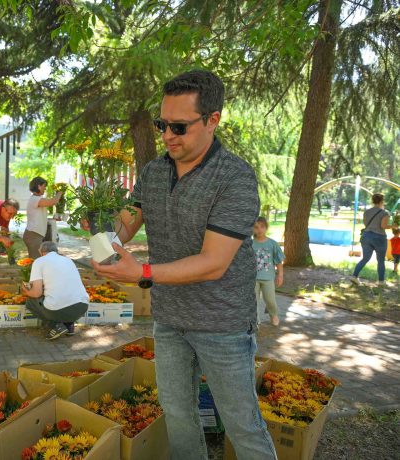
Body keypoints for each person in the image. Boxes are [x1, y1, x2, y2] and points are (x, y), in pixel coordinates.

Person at [92, 70, 277, 459]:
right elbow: (129, 220)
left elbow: (213, 263)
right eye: (161, 124)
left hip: (223, 324)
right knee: (177, 415)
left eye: (179, 126)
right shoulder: (154, 171)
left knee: (242, 426)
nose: (167, 136)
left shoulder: (235, 178)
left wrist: (142, 273)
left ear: (213, 119)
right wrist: (103, 235)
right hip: (170, 319)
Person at [21, 242, 89, 340]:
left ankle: (56, 326)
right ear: (56, 251)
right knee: (63, 298)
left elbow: (36, 293)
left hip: (59, 309)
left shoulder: (39, 261)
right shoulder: (68, 260)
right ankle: (69, 325)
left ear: (41, 251)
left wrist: (26, 292)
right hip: (82, 307)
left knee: (31, 301)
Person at [351, 193, 397, 286]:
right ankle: (381, 281)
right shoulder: (384, 213)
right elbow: (383, 226)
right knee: (380, 260)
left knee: (365, 258)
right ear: (382, 201)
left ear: (373, 201)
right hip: (379, 238)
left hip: (366, 236)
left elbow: (366, 224)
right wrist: (393, 226)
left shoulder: (366, 212)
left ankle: (354, 276)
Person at [252, 216, 285, 326]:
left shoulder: (272, 244)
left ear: (266, 228)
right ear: (252, 229)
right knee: (254, 301)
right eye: (256, 227)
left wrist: (280, 275)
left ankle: (273, 314)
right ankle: (256, 320)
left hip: (268, 278)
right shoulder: (250, 244)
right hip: (253, 278)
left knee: (270, 299)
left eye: (262, 227)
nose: (259, 230)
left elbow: (278, 261)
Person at [23, 177, 63, 259]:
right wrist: (60, 192)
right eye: (44, 186)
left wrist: (52, 219)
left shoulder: (37, 199)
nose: (45, 188)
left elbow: (38, 217)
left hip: (35, 234)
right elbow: (53, 202)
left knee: (38, 260)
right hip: (33, 235)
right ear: (39, 186)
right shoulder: (35, 199)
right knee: (36, 260)